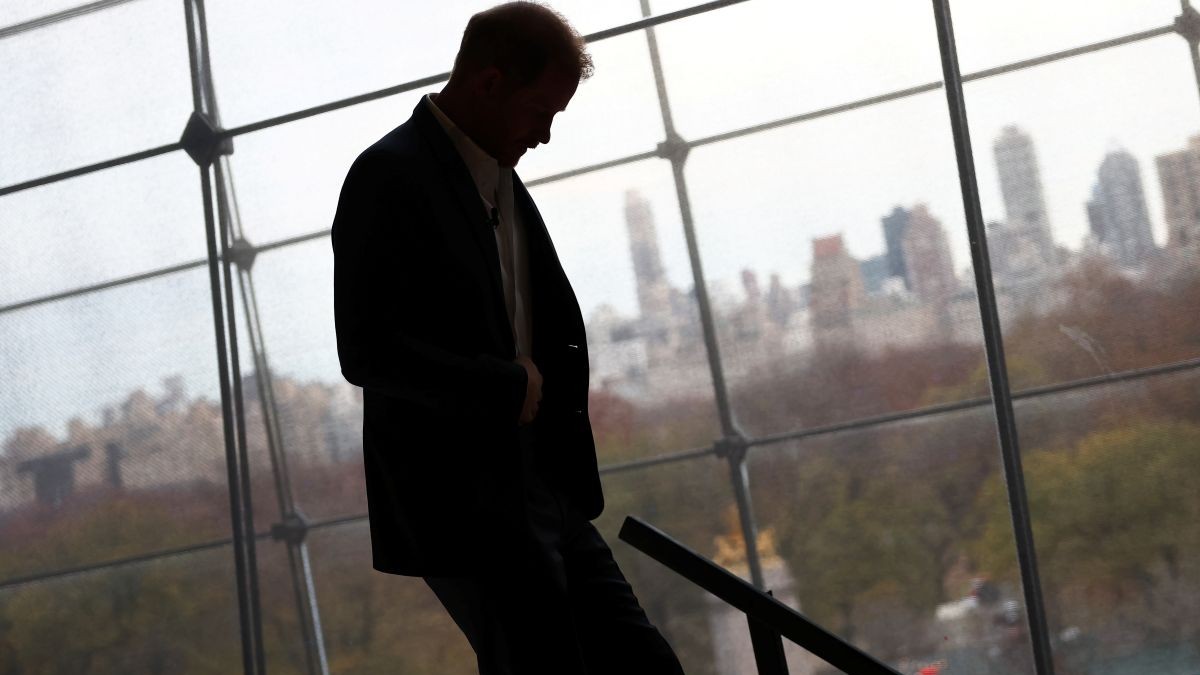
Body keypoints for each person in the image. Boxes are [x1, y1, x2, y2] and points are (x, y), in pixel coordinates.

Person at [330, 3, 686, 673]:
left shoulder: (494, 172)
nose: (546, 135)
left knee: (644, 664)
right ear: (488, 84)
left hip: (535, 486)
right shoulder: (389, 174)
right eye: (540, 112)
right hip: (467, 504)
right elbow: (366, 348)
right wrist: (507, 385)